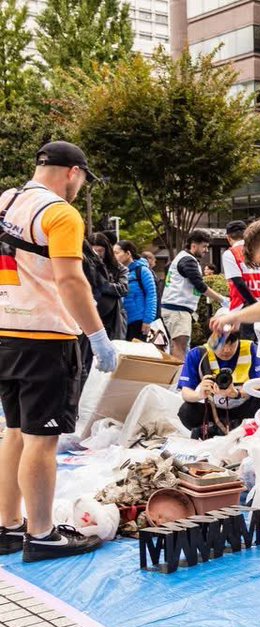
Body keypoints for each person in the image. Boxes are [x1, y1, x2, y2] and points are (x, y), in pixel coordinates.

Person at [0, 141, 116, 562]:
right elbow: (71, 281)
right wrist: (98, 335)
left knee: (13, 430)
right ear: (73, 172)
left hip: (5, 333)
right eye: (82, 179)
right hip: (45, 339)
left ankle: (8, 526)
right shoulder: (60, 213)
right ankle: (43, 534)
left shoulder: (6, 202)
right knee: (42, 440)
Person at [176, 329, 260, 439]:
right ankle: (217, 428)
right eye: (220, 344)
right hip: (214, 408)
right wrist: (200, 395)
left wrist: (237, 393)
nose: (226, 350)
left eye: (232, 344)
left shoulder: (251, 349)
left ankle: (236, 427)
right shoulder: (197, 354)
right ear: (211, 342)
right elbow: (186, 393)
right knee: (187, 411)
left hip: (244, 405)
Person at [162, 230, 226, 360]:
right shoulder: (187, 261)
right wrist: (222, 299)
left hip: (177, 309)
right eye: (204, 246)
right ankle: (180, 378)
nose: (206, 250)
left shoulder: (185, 258)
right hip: (177, 309)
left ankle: (181, 376)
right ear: (194, 245)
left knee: (181, 346)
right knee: (180, 346)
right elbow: (200, 285)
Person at [221, 219, 260, 336]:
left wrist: (254, 306)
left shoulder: (231, 253)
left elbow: (238, 283)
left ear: (228, 238)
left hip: (244, 308)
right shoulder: (259, 250)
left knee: (246, 349)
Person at [87, 233, 129, 341]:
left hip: (112, 320)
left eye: (100, 251)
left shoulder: (118, 268)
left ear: (107, 250)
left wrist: (104, 285)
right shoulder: (82, 266)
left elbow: (124, 288)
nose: (97, 254)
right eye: (94, 251)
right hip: (88, 317)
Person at [114, 240, 157, 341]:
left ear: (128, 253)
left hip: (138, 320)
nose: (114, 256)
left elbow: (151, 295)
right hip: (121, 321)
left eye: (117, 253)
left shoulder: (142, 270)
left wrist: (147, 320)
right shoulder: (117, 272)